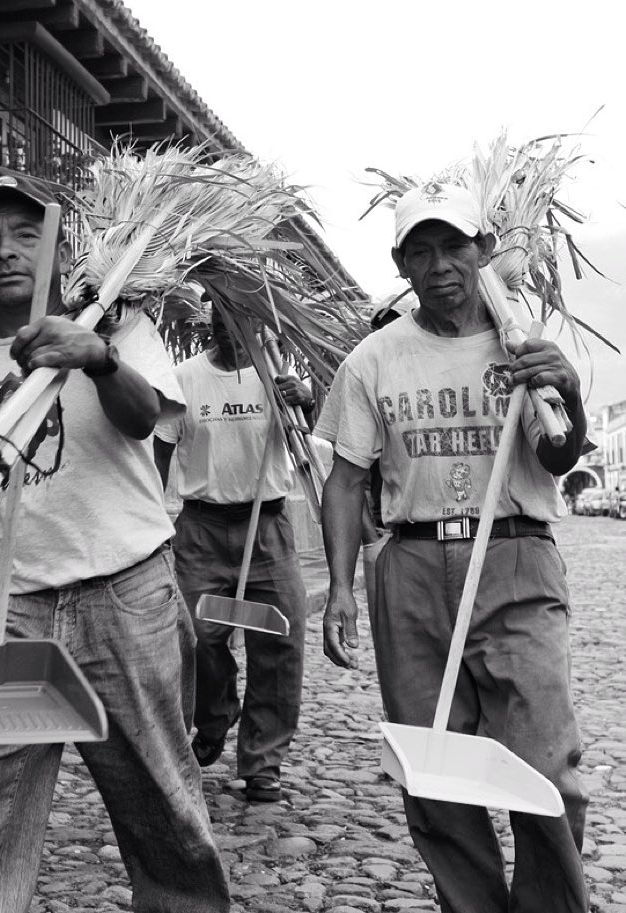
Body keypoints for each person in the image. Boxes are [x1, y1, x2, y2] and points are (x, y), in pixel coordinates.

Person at [0, 175, 230, 913]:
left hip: (125, 596)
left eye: (23, 233)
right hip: (9, 612)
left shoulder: (115, 322)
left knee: (162, 809)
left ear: (57, 246)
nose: (4, 251)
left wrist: (97, 355)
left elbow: (146, 420)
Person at [316, 182, 589, 913]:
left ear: (484, 252)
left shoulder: (521, 345)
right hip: (410, 566)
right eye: (421, 251)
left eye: (454, 247)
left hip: (514, 555)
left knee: (546, 766)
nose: (439, 265)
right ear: (400, 263)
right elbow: (344, 482)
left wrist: (566, 387)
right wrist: (340, 587)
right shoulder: (372, 360)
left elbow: (559, 455)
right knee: (433, 769)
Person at [153, 306, 313, 803]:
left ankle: (263, 761)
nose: (237, 331)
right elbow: (158, 457)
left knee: (279, 640)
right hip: (201, 528)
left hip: (267, 524)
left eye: (246, 321)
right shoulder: (184, 380)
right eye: (226, 319)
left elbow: (313, 434)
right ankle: (216, 713)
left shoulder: (276, 378)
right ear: (212, 324)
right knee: (199, 636)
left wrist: (303, 402)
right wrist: (154, 524)